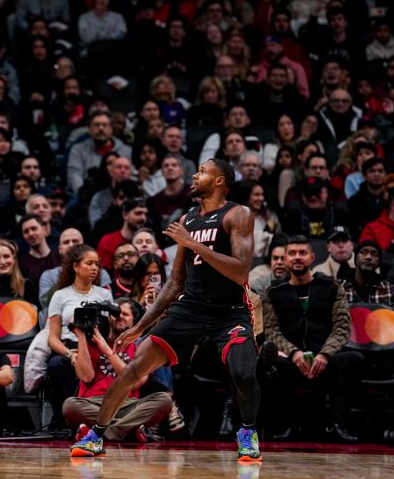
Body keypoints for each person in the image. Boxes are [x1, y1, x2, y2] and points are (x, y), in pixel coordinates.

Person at [72, 159, 261, 462]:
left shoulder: (238, 214)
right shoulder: (188, 218)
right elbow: (174, 283)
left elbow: (240, 272)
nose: (194, 176)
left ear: (219, 181)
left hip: (229, 311)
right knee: (134, 367)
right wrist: (139, 327)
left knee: (244, 373)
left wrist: (192, 244)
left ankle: (247, 432)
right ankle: (96, 435)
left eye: (202, 171)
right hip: (190, 308)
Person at [263, 235, 365, 443]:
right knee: (271, 362)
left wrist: (325, 355)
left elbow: (342, 327)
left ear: (312, 257)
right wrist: (294, 353)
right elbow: (272, 330)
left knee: (354, 359)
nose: (297, 257)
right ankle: (287, 425)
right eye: (292, 253)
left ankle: (336, 424)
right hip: (291, 363)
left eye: (302, 253)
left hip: (324, 362)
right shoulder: (273, 293)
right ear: (285, 258)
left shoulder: (333, 287)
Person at [65, 298, 172, 443]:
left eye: (125, 314)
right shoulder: (92, 342)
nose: (120, 316)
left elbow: (135, 383)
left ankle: (101, 433)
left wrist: (108, 352)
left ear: (135, 322)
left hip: (127, 404)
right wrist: (81, 336)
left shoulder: (140, 348)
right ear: (109, 318)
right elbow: (86, 377)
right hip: (93, 403)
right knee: (70, 405)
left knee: (164, 400)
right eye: (116, 313)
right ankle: (128, 429)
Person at [47, 244, 113, 427]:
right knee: (56, 365)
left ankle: (95, 415)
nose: (94, 268)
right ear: (75, 266)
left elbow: (110, 332)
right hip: (69, 346)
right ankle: (69, 418)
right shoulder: (60, 295)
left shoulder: (104, 294)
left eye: (97, 264)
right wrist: (70, 354)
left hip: (97, 346)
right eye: (89, 263)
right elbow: (52, 337)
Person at [39, 228, 112, 304]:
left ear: (84, 246)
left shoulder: (100, 273)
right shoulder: (48, 276)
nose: (71, 245)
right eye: (66, 242)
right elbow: (46, 304)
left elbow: (107, 302)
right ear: (60, 250)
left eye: (75, 241)